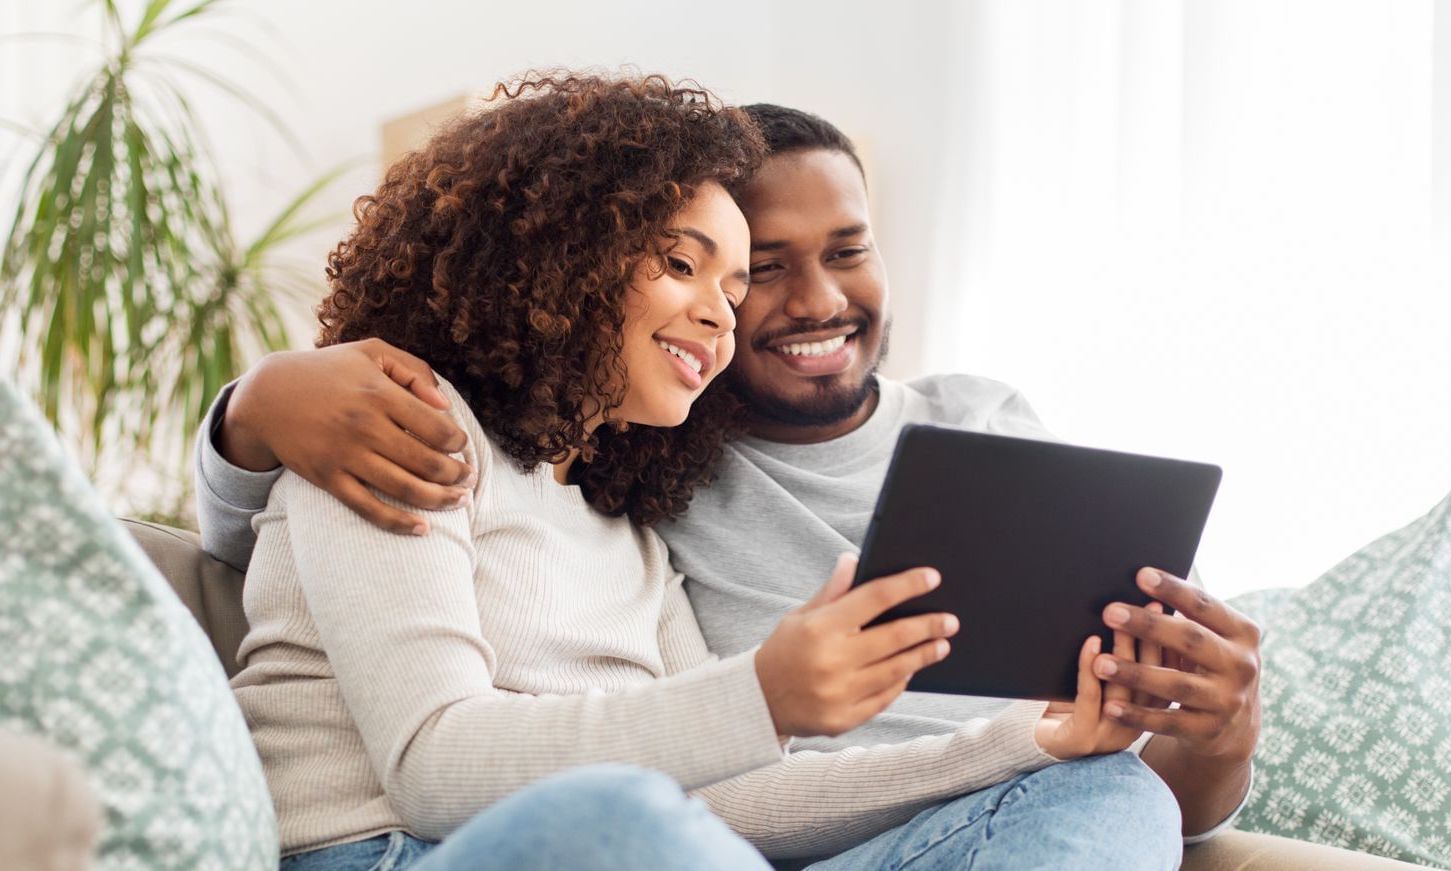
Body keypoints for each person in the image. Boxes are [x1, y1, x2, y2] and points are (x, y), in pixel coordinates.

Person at [200, 99, 1215, 868]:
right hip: (394, 851)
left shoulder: (629, 533)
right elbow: (430, 772)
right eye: (686, 265)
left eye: (732, 289)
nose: (722, 316)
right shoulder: (400, 426)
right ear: (563, 254)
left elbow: (728, 804)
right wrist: (759, 693)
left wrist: (1025, 740)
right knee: (622, 815)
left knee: (1104, 796)